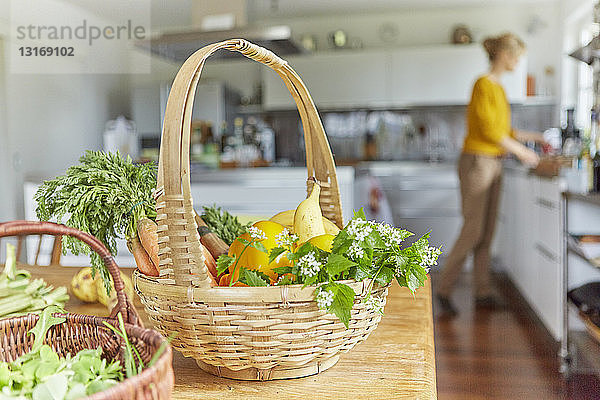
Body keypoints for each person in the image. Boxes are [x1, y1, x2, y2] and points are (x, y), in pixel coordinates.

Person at [436, 33, 545, 317]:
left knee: (487, 231)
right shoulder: (483, 84)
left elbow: (504, 132)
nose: (518, 61)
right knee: (473, 229)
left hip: (494, 162)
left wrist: (537, 137)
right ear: (504, 55)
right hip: (478, 162)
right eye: (516, 55)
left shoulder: (499, 88)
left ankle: (482, 291)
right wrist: (523, 153)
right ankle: (443, 289)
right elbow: (489, 131)